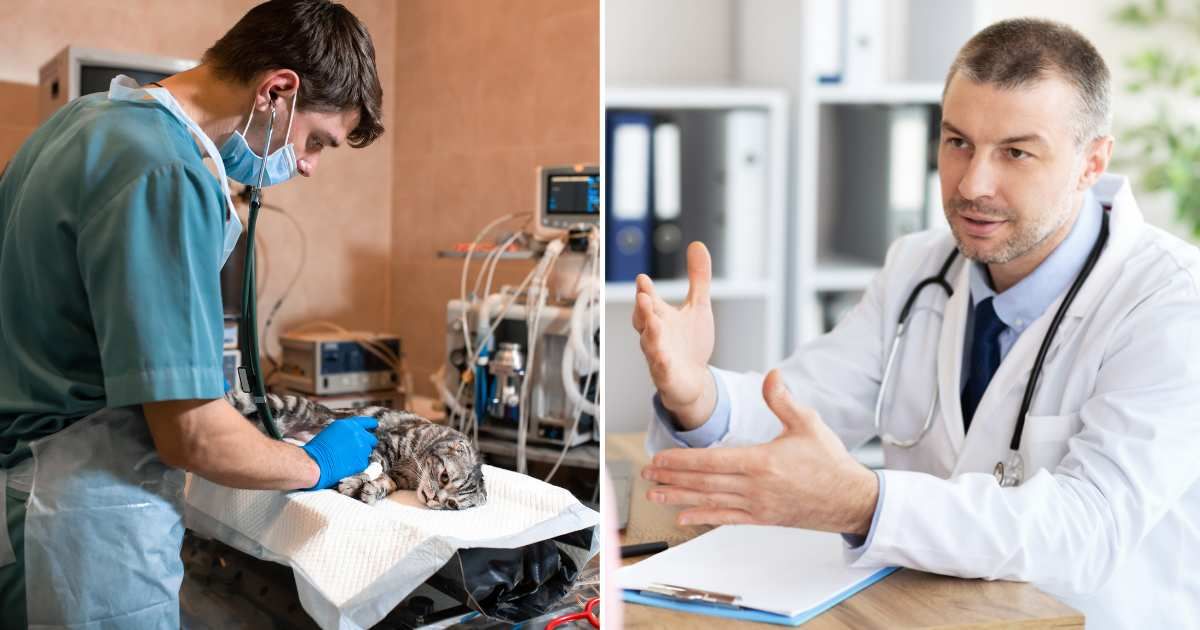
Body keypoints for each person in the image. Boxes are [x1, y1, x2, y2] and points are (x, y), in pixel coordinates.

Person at [632, 18, 1200, 630]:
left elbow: (1089, 527)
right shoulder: (920, 266)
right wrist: (696, 392)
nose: (973, 184)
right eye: (957, 142)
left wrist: (863, 502)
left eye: (1016, 152)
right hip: (928, 614)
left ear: (1092, 162)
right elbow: (803, 407)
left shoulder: (1170, 302)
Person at [0, 1, 386, 627]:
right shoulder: (165, 170)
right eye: (316, 140)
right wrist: (315, 463)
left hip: (27, 506)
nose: (310, 165)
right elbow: (193, 433)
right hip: (83, 533)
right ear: (277, 91)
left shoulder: (80, 123)